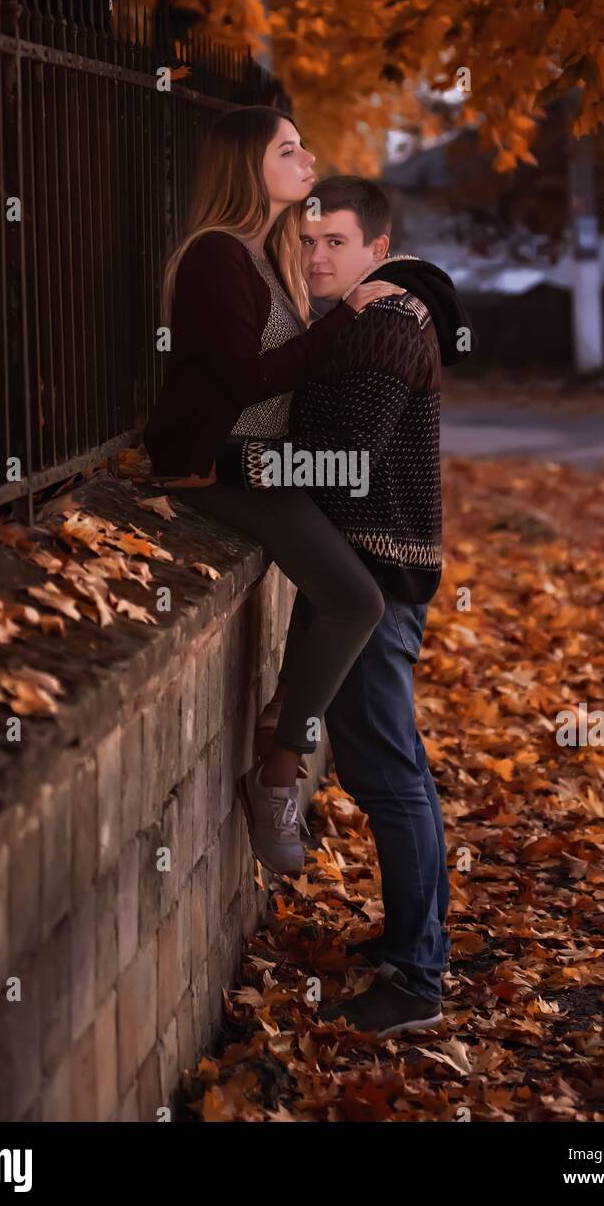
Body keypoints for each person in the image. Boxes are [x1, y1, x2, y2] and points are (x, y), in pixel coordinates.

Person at [216, 175, 473, 1038]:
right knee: (393, 769)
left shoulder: (383, 328)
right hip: (362, 570)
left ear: (378, 249)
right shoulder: (369, 318)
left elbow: (343, 461)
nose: (318, 256)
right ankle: (417, 944)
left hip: (375, 582)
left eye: (337, 242)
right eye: (309, 239)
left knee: (389, 777)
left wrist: (230, 470)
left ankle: (415, 977)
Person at [142, 108, 403, 879]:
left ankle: (283, 708)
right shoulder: (216, 258)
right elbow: (250, 378)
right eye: (287, 149)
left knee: (354, 533)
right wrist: (347, 317)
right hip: (212, 464)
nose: (307, 157)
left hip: (260, 459)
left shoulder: (266, 252)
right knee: (358, 600)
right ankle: (277, 767)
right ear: (244, 167)